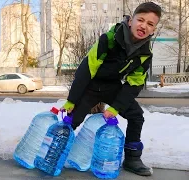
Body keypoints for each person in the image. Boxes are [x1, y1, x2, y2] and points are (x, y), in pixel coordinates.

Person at [61, 2, 162, 176]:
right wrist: (72, 100)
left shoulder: (145, 54)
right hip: (91, 85)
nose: (144, 26)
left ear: (153, 30)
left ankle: (132, 158)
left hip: (113, 87)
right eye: (141, 20)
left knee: (136, 116)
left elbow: (134, 83)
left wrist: (116, 108)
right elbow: (86, 69)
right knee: (72, 119)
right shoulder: (108, 39)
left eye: (150, 24)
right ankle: (55, 152)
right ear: (131, 21)